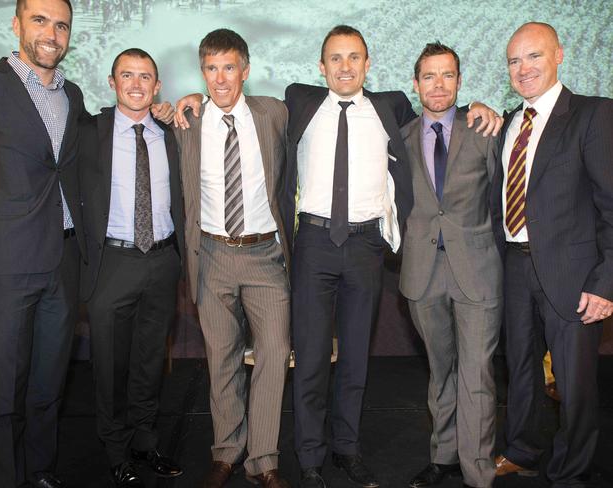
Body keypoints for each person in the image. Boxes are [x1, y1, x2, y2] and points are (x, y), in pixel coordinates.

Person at [282, 26, 502, 488]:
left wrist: (475, 106)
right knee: (312, 357)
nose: (345, 66)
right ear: (321, 67)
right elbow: (242, 106)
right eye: (336, 59)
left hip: (365, 248)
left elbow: (439, 112)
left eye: (354, 58)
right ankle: (310, 458)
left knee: (357, 358)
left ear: (368, 64)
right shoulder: (298, 103)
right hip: (314, 246)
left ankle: (347, 448)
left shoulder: (389, 108)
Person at [0, 1, 86, 486]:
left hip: (63, 262)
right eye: (39, 20)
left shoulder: (72, 94)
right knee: (1, 392)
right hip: (7, 264)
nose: (51, 33)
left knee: (47, 384)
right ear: (14, 25)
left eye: (61, 25)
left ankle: (40, 470)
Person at [491, 22, 613, 488]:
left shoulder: (592, 115)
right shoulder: (507, 123)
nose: (523, 69)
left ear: (559, 55)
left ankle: (571, 470)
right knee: (520, 369)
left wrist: (605, 284)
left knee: (575, 383)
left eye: (534, 57)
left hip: (574, 274)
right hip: (515, 267)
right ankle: (522, 450)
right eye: (514, 61)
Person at [173, 29, 291, 488]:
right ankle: (226, 452)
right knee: (220, 360)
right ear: (202, 72)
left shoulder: (273, 113)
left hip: (265, 256)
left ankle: (264, 459)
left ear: (245, 69)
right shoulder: (187, 120)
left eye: (228, 67)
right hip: (212, 256)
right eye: (210, 68)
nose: (220, 78)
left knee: (274, 355)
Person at [78, 48, 184, 488]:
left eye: (146, 77)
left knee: (148, 361)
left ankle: (145, 442)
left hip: (162, 261)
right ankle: (116, 450)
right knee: (109, 365)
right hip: (112, 263)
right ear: (111, 81)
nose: (137, 84)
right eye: (128, 75)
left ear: (158, 87)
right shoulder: (89, 132)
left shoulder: (171, 133)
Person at [399, 42, 501, 488]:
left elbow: (504, 200)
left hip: (477, 270)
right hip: (422, 273)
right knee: (441, 371)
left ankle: (478, 472)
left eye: (447, 75)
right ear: (416, 82)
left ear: (460, 81)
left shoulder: (485, 130)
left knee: (476, 373)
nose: (438, 85)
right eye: (429, 76)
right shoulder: (398, 140)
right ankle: (443, 457)